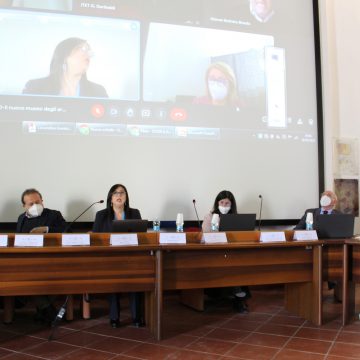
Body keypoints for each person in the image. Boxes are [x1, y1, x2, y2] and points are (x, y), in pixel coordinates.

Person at [93, 184, 144, 328]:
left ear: (126, 197)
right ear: (110, 198)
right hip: (110, 257)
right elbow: (96, 239)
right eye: (115, 193)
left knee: (136, 280)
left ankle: (136, 317)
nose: (119, 195)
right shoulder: (101, 215)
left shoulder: (135, 213)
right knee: (112, 280)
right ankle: (114, 317)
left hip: (132, 256)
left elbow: (141, 236)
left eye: (122, 193)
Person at [15, 188, 66, 324]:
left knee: (34, 277)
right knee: (27, 276)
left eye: (38, 202)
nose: (35, 206)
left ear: (42, 201)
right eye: (31, 204)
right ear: (24, 206)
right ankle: (48, 311)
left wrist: (46, 229)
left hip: (51, 261)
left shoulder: (54, 215)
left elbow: (68, 231)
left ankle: (45, 311)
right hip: (27, 262)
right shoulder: (21, 218)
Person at [202, 190, 251, 313]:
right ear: (217, 203)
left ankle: (238, 296)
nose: (224, 206)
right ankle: (239, 296)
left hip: (232, 252)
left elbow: (243, 236)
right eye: (222, 202)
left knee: (238, 263)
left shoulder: (237, 218)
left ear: (231, 204)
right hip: (213, 253)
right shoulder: (209, 216)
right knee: (231, 264)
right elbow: (205, 235)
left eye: (227, 203)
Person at [23, 37, 108, 98]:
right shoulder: (35, 87)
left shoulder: (98, 92)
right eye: (82, 49)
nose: (88, 54)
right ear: (64, 57)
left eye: (89, 51)